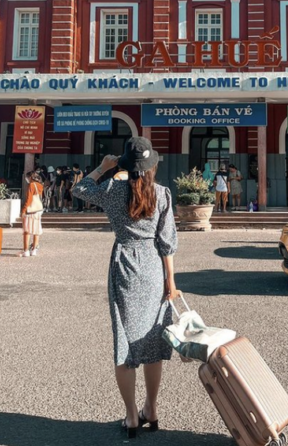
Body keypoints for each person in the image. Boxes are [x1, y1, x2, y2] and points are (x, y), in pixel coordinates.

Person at [72, 137, 179, 438]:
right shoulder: (162, 194)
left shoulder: (113, 189)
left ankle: (132, 417)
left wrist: (103, 167)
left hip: (124, 263)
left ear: (125, 165)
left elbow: (79, 190)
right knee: (154, 341)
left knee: (125, 344)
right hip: (153, 266)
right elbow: (167, 240)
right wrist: (171, 280)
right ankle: (152, 408)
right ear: (152, 166)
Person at [20, 171, 44, 257]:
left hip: (31, 211)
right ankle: (34, 249)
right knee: (36, 231)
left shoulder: (31, 185)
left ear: (30, 177)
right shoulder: (40, 185)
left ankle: (26, 250)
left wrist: (23, 210)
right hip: (38, 210)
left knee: (27, 231)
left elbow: (29, 199)